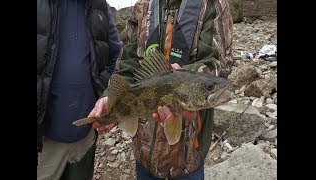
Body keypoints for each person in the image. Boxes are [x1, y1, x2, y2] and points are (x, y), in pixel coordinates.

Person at [90, 0, 230, 179]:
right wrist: (111, 96)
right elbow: (127, 64)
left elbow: (221, 64)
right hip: (144, 152)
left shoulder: (213, 4)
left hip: (188, 155)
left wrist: (189, 76)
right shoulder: (142, 5)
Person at [37, 0, 121, 179]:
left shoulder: (99, 5)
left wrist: (106, 97)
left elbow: (114, 58)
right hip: (44, 146)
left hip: (85, 140)